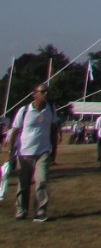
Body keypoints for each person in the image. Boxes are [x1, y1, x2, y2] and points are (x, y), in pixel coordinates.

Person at [8, 83, 60, 222]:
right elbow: (14, 132)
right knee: (23, 184)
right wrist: (11, 153)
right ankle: (21, 210)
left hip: (43, 152)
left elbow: (53, 130)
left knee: (42, 181)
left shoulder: (50, 109)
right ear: (34, 95)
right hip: (24, 153)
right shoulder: (24, 111)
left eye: (47, 92)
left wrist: (54, 150)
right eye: (42, 92)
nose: (45, 95)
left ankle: (40, 211)